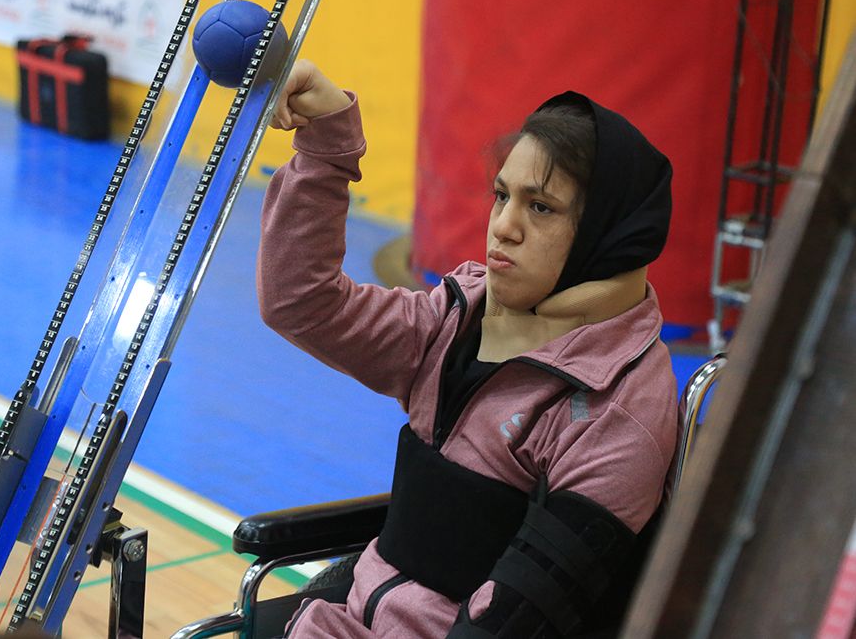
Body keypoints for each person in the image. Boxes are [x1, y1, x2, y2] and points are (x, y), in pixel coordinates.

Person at [257, 60, 679, 638]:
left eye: (540, 207)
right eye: (502, 196)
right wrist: (328, 144)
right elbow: (300, 303)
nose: (503, 227)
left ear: (609, 234)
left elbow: (509, 624)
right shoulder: (460, 316)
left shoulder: (614, 411)